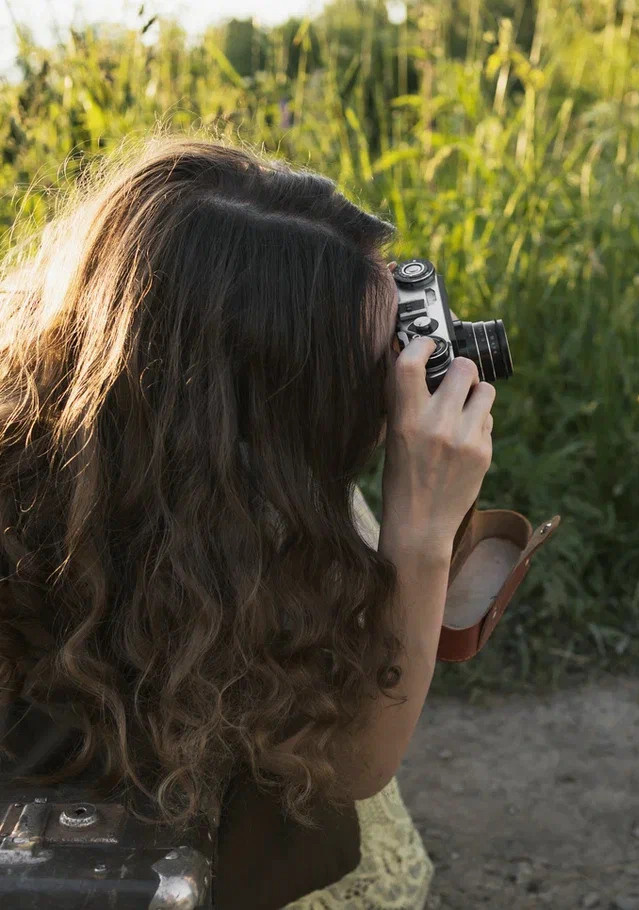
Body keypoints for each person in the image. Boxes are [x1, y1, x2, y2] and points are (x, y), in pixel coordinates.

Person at [0, 137, 495, 908]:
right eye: (370, 372)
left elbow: (353, 769)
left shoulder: (264, 498)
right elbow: (350, 767)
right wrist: (421, 536)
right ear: (252, 424)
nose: (403, 396)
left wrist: (416, 533)